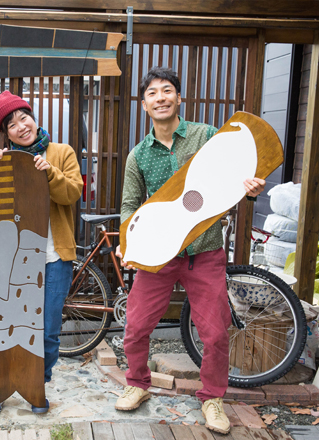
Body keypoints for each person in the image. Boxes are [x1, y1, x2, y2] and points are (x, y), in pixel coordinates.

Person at [114, 66, 266, 434]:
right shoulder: (139, 155)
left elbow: (235, 175)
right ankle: (137, 384)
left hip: (205, 251)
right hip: (159, 257)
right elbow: (129, 206)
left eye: (167, 90)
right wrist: (128, 242)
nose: (161, 97)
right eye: (152, 93)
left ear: (178, 98)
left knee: (214, 332)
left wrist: (250, 188)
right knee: (135, 327)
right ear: (145, 104)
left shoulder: (206, 136)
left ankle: (213, 398)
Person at [0, 91, 83, 414]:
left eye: (24, 117)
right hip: (15, 259)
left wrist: (49, 171)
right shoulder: (3, 160)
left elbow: (71, 194)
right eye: (11, 124)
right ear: (5, 133)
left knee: (48, 328)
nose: (21, 126)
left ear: (33, 117)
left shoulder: (61, 152)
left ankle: (37, 381)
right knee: (5, 325)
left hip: (53, 257)